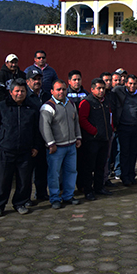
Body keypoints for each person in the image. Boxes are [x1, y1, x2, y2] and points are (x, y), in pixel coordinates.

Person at [0, 79, 39, 217]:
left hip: (25, 151)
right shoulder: (2, 107)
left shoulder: (31, 108)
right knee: (2, 180)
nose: (19, 94)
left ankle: (20, 203)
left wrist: (35, 146)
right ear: (11, 92)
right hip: (5, 150)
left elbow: (36, 130)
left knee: (24, 180)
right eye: (17, 91)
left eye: (22, 91)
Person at [39, 80, 82, 209]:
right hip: (56, 148)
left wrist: (78, 137)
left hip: (71, 145)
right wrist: (51, 143)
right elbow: (44, 127)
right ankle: (55, 198)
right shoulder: (48, 107)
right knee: (54, 174)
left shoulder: (71, 104)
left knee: (71, 171)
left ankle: (68, 196)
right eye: (58, 90)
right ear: (52, 91)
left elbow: (76, 122)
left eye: (63, 89)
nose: (61, 92)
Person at [78, 78, 113, 201]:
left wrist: (110, 128)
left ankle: (99, 187)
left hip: (105, 138)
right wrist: (95, 131)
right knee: (88, 167)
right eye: (99, 88)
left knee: (101, 165)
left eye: (103, 88)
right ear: (92, 89)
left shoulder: (106, 101)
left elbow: (109, 116)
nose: (101, 90)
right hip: (92, 140)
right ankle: (88, 190)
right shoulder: (87, 102)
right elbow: (82, 120)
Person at [113, 75, 137, 186]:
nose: (132, 86)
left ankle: (132, 175)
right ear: (126, 83)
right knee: (124, 153)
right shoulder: (119, 91)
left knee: (134, 152)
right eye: (130, 83)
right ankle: (124, 176)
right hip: (123, 127)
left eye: (134, 84)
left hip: (136, 127)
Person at [25, 68, 50, 204]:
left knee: (42, 167)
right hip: (30, 137)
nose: (37, 82)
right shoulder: (25, 97)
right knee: (28, 171)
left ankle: (41, 193)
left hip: (44, 137)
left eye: (39, 79)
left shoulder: (46, 95)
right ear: (28, 81)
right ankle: (26, 197)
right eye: (34, 79)